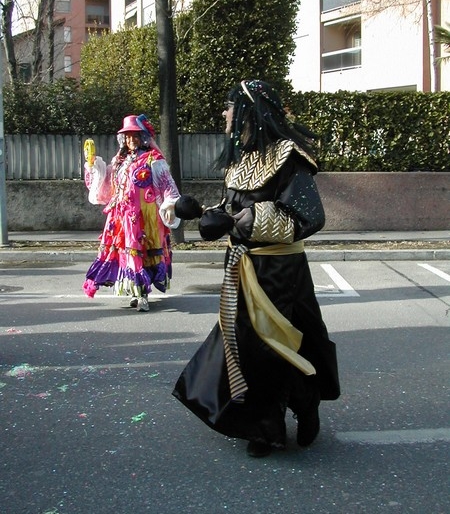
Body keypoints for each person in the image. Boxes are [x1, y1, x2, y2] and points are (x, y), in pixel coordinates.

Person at [173, 80, 340, 457]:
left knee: (277, 348)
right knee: (246, 347)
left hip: (281, 275)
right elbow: (232, 208)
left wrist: (244, 220)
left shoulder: (288, 156)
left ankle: (305, 403)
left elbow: (309, 218)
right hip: (242, 270)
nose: (225, 114)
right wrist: (210, 215)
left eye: (230, 106)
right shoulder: (241, 160)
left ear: (250, 111)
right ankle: (264, 428)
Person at [83, 114, 200, 311]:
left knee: (142, 254)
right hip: (121, 217)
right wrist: (94, 165)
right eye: (128, 136)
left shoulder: (154, 160)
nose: (131, 140)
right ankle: (134, 291)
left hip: (145, 218)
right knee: (127, 254)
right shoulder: (120, 161)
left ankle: (142, 294)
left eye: (135, 135)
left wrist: (170, 204)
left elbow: (167, 186)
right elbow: (108, 184)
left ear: (143, 137)